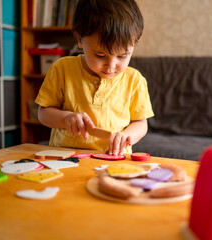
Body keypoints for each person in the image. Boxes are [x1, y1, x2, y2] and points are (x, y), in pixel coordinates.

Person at [35, 0, 154, 156]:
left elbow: (141, 123)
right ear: (79, 39)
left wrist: (127, 136)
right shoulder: (62, 68)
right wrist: (66, 118)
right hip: (64, 157)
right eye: (100, 55)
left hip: (113, 159)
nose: (111, 66)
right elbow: (43, 113)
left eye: (122, 56)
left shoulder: (135, 80)